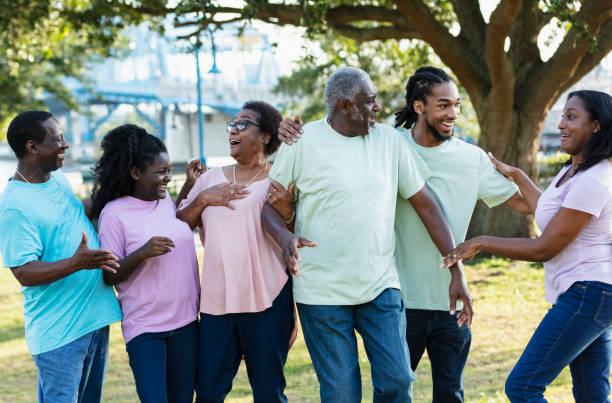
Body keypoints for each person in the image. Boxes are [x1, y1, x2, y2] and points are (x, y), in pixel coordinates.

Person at [275, 66, 524, 401]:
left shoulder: (396, 143)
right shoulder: (315, 142)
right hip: (340, 292)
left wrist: (456, 269)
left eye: (456, 105)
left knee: (407, 384)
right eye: (368, 102)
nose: (377, 108)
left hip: (392, 290)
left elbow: (428, 205)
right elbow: (271, 202)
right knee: (341, 392)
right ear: (345, 106)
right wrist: (284, 231)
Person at [442, 90, 612, 402]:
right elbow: (546, 210)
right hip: (591, 294)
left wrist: (481, 242)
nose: (560, 124)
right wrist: (518, 176)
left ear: (597, 126)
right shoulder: (572, 170)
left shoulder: (595, 179)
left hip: (589, 293)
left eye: (571, 117)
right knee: (591, 394)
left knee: (522, 387)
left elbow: (543, 248)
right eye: (562, 116)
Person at [176, 101, 295, 403]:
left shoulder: (278, 179)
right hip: (218, 303)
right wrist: (202, 198)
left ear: (267, 136)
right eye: (233, 124)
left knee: (269, 392)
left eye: (244, 124)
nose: (234, 129)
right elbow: (177, 227)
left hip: (269, 300)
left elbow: (291, 234)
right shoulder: (209, 179)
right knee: (208, 392)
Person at [0, 111, 122, 402]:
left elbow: (77, 214)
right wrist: (78, 263)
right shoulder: (14, 205)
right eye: (57, 139)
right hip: (60, 334)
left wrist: (118, 183)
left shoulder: (58, 180)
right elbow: (24, 272)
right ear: (32, 147)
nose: (66, 144)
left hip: (94, 319)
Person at [91, 124, 204, 403]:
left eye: (169, 171)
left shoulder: (163, 199)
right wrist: (142, 253)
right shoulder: (114, 214)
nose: (167, 178)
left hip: (186, 321)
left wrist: (188, 184)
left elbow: (168, 219)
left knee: (182, 399)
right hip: (146, 328)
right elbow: (109, 276)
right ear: (135, 173)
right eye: (160, 172)